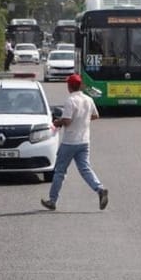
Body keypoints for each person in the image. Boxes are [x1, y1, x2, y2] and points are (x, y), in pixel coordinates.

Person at [41, 74, 108, 211]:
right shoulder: (88, 99)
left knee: (60, 171)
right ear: (80, 85)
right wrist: (83, 120)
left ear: (69, 86)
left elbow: (67, 121)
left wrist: (57, 122)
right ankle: (99, 188)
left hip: (70, 142)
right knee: (85, 168)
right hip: (84, 141)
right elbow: (95, 115)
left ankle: (52, 200)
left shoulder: (70, 100)